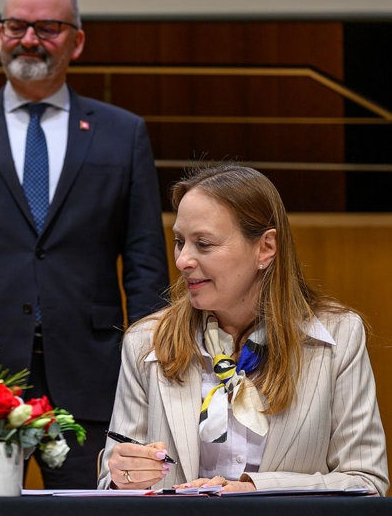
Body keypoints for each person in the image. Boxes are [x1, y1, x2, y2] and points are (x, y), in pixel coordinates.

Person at [0, 0, 169, 488]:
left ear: (77, 41)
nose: (29, 39)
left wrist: (149, 373)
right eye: (16, 26)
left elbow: (145, 266)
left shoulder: (123, 133)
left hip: (93, 377)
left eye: (47, 27)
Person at [98, 163, 389, 495]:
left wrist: (253, 492)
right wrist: (122, 477)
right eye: (180, 241)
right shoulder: (145, 342)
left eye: (203, 244)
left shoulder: (340, 336)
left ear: (265, 247)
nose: (182, 261)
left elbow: (367, 482)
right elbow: (111, 487)